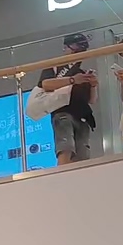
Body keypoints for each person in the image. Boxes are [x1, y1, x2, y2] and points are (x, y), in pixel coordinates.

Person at [39, 31, 98, 165]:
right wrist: (72, 80)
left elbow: (92, 100)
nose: (78, 52)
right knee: (65, 148)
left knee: (82, 156)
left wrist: (93, 85)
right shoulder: (55, 67)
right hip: (63, 112)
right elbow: (46, 84)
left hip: (83, 117)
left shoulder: (81, 73)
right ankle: (62, 174)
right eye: (76, 48)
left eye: (82, 49)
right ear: (66, 48)